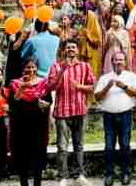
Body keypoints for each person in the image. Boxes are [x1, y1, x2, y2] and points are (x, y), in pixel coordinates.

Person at [48, 40, 96, 186]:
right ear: (64, 50)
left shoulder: (85, 66)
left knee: (79, 145)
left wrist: (80, 86)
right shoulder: (56, 66)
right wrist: (62, 70)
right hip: (62, 110)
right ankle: (62, 177)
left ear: (78, 50)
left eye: (73, 47)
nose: (71, 50)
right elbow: (51, 87)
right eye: (68, 47)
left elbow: (93, 86)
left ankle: (79, 175)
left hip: (79, 110)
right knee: (62, 146)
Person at [96, 51, 136, 186]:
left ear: (125, 62)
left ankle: (126, 173)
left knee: (125, 145)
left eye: (121, 60)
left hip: (125, 115)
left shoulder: (131, 76)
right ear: (112, 62)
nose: (118, 62)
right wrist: (108, 86)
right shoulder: (105, 78)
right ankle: (109, 174)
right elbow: (97, 97)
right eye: (116, 60)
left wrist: (124, 86)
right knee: (109, 147)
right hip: (109, 116)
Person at [9, 58, 52, 186]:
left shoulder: (43, 83)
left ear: (37, 68)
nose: (31, 70)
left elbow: (49, 101)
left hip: (38, 124)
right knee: (22, 154)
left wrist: (45, 104)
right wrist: (22, 88)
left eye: (33, 67)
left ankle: (37, 183)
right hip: (20, 125)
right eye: (28, 67)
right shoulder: (15, 84)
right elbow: (12, 102)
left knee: (38, 153)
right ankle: (24, 182)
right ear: (23, 69)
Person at [78, 6, 103, 76]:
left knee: (91, 74)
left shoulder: (96, 29)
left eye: (85, 16)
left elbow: (98, 43)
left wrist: (89, 37)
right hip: (83, 55)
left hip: (92, 55)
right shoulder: (84, 27)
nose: (83, 18)